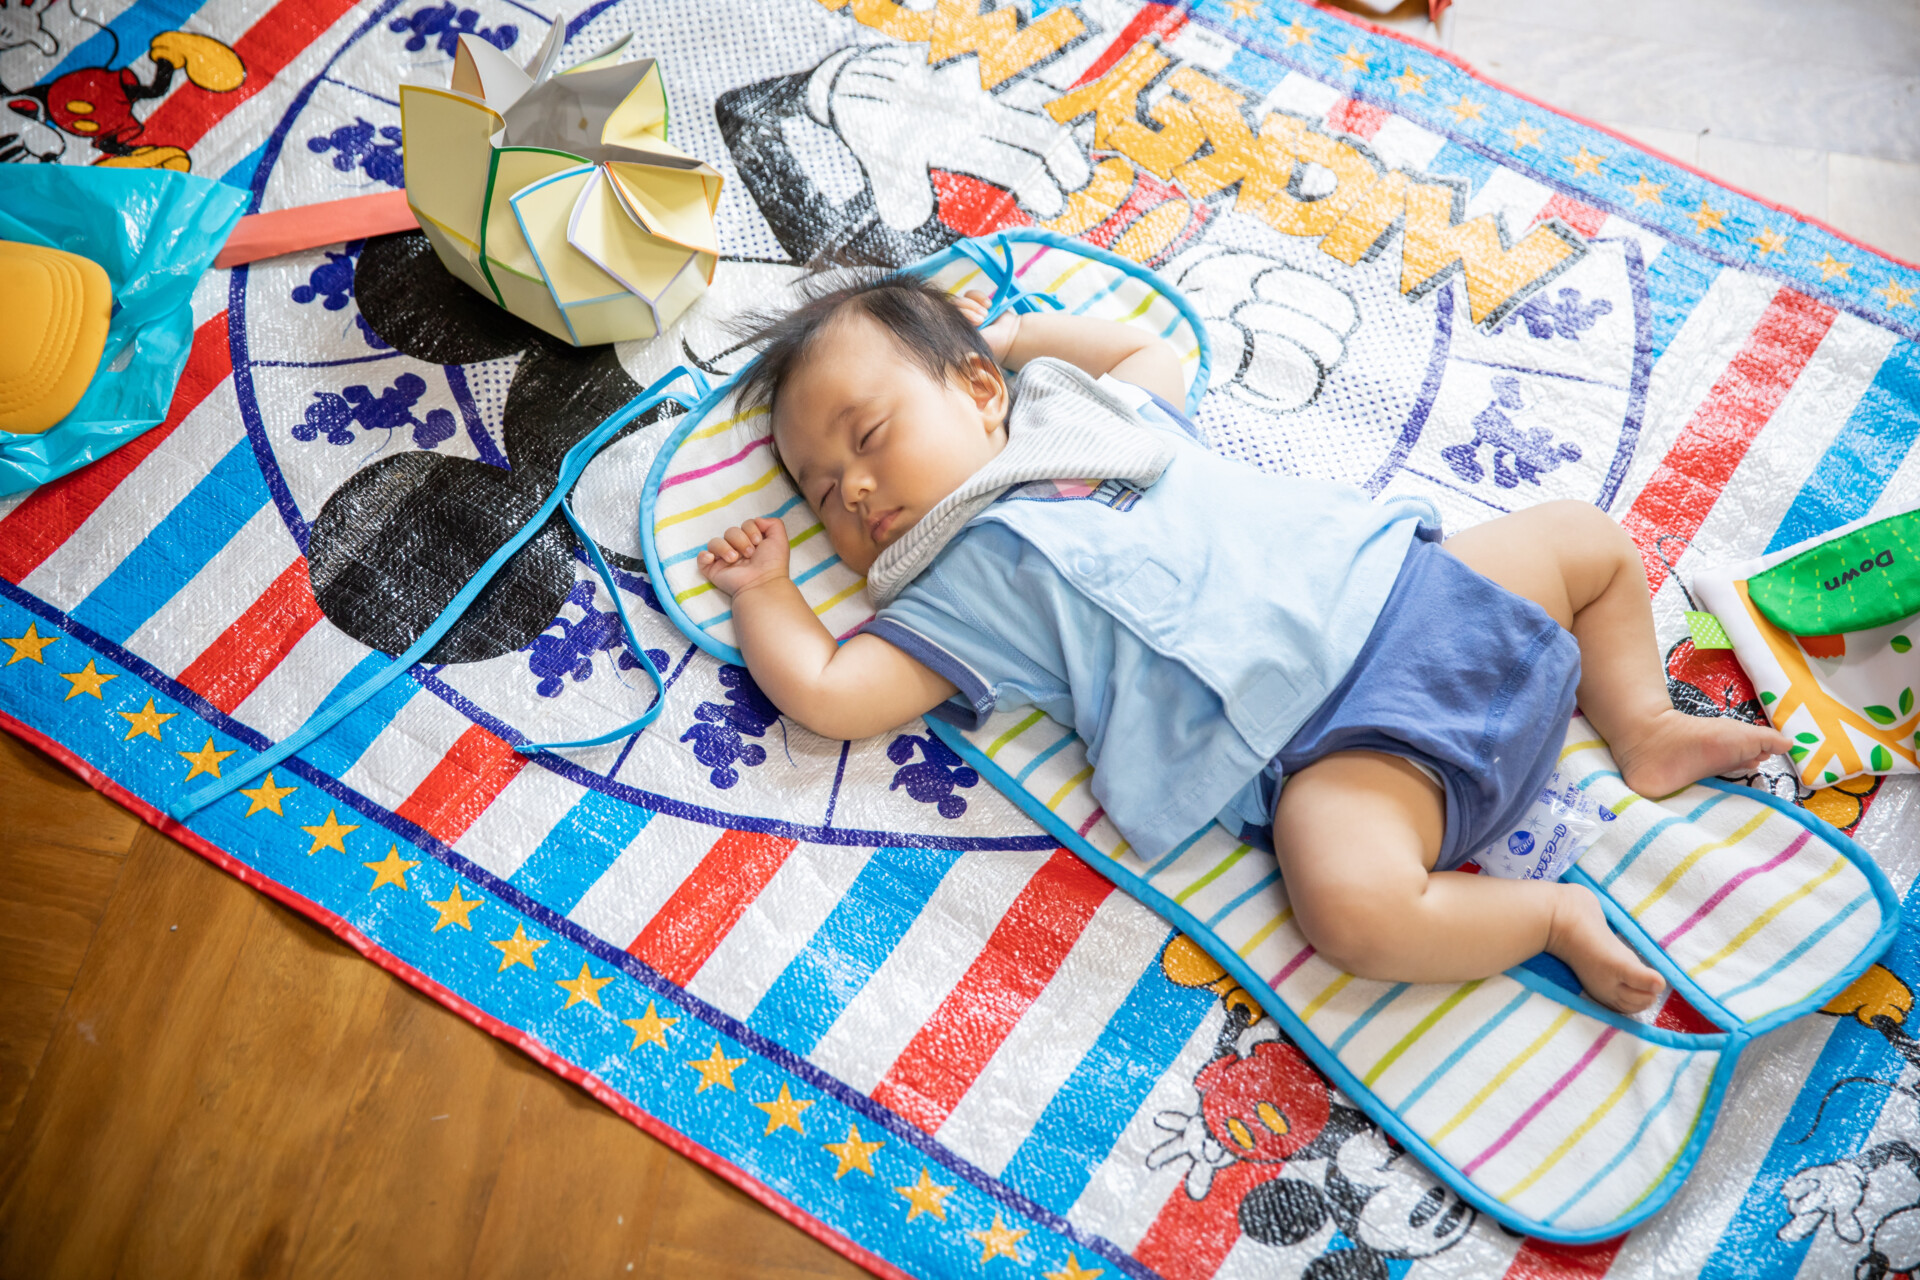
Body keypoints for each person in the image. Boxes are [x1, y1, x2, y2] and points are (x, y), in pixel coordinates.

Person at [694, 272, 1789, 1014]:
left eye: (870, 437)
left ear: (982, 391)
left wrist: (1017, 337)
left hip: (1420, 592)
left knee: (1584, 539)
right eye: (823, 493)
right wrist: (766, 592)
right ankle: (1546, 914)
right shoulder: (954, 589)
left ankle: (1641, 724)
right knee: (1351, 907)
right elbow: (829, 691)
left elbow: (1146, 348)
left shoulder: (1089, 419)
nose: (856, 491)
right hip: (1339, 749)